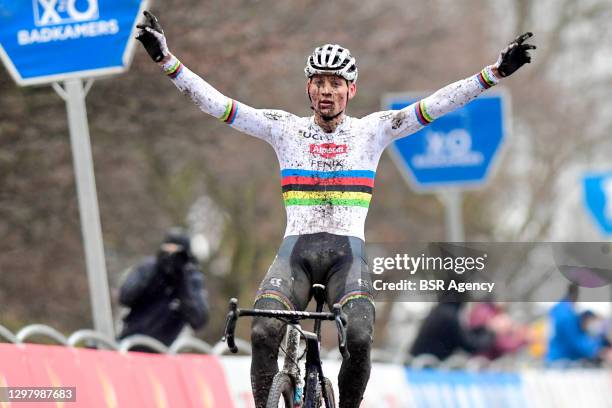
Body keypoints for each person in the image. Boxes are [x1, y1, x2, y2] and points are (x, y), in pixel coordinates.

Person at [135, 11, 535, 407]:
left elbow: (437, 104)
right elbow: (219, 105)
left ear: (351, 90)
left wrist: (495, 72)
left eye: (336, 83)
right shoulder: (282, 128)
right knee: (261, 333)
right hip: (296, 256)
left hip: (348, 258)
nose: (327, 90)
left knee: (359, 338)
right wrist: (166, 60)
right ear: (308, 88)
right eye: (319, 82)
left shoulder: (373, 130)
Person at [118, 228, 209, 351]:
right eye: (167, 251)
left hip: (165, 351)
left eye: (177, 254)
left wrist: (183, 280)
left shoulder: (191, 278)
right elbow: (125, 297)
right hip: (130, 342)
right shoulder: (148, 268)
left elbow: (198, 320)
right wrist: (155, 271)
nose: (171, 258)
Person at [546, 284, 611, 366]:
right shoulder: (566, 315)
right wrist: (598, 351)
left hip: (559, 359)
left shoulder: (561, 310)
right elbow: (575, 341)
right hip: (561, 362)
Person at [410, 300, 494, 361]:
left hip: (420, 362)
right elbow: (468, 344)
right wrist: (491, 332)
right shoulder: (450, 316)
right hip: (427, 365)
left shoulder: (441, 310)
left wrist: (484, 330)